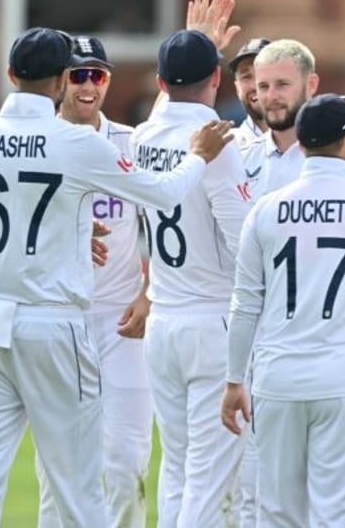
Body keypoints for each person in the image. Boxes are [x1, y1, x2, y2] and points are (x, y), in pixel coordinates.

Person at [0, 27, 233, 527]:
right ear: (60, 81)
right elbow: (163, 194)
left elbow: (14, 205)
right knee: (79, 486)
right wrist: (199, 157)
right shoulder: (76, 143)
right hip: (50, 324)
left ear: (11, 76)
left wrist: (72, 224)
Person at [220, 93, 345, 527]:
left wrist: (235, 377)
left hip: (276, 378)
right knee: (336, 514)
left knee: (276, 513)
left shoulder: (265, 211)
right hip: (344, 379)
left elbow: (245, 303)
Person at [131, 29, 250, 528]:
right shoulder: (218, 142)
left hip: (163, 321)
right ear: (218, 79)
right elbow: (245, 237)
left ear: (160, 81)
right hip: (213, 321)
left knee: (177, 468)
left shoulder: (141, 137)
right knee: (209, 474)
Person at [34, 34, 154, 528]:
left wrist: (149, 294)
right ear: (61, 80)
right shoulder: (34, 144)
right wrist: (64, 235)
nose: (88, 86)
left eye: (97, 75)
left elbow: (168, 225)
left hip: (121, 324)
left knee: (127, 466)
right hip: (57, 320)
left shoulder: (132, 143)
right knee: (57, 475)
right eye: (78, 75)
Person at [242, 39, 345, 204]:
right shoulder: (243, 158)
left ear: (311, 84)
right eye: (263, 86)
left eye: (282, 84)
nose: (271, 96)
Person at [228, 37, 271, 149]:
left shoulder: (310, 143)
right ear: (237, 88)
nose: (256, 85)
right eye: (246, 77)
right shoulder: (226, 147)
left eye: (264, 72)